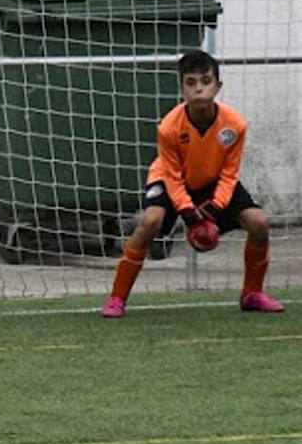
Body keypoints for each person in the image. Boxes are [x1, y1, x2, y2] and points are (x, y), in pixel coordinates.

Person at [100, 49, 282, 318]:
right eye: (191, 82)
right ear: (182, 87)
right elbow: (172, 175)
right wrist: (189, 212)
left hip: (213, 181)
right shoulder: (169, 128)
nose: (199, 89)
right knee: (150, 221)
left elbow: (230, 173)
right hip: (171, 178)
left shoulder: (235, 125)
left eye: (206, 81)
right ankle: (117, 298)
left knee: (259, 223)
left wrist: (215, 209)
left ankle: (251, 294)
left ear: (218, 85)